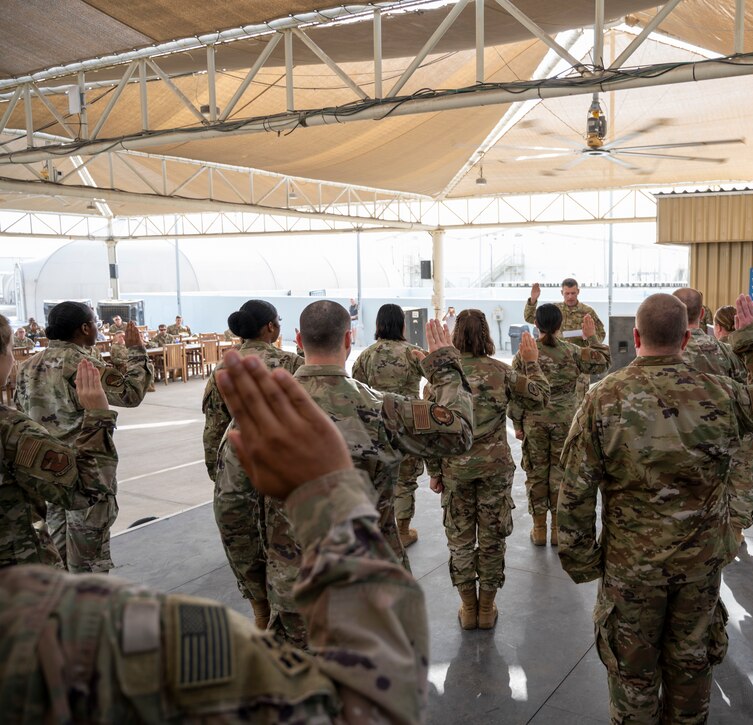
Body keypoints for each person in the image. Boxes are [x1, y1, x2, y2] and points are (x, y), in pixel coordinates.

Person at [0, 349, 431, 723]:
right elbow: (381, 698)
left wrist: (255, 591)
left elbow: (230, 508)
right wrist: (328, 494)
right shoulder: (105, 633)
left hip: (283, 588)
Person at [558, 293, 753, 724]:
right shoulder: (721, 393)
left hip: (631, 571)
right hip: (699, 567)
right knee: (690, 669)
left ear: (635, 337)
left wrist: (583, 559)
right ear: (687, 338)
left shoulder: (602, 399)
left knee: (634, 678)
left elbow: (575, 491)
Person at [235, 303, 473, 649]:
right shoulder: (386, 411)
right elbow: (459, 432)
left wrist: (261, 588)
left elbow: (232, 506)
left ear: (299, 340)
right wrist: (446, 369)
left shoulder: (258, 415)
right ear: (349, 339)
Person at [428, 309, 549, 631]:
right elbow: (541, 397)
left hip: (455, 469)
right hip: (495, 468)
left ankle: (468, 609)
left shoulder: (441, 378)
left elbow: (429, 431)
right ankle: (487, 607)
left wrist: (435, 472)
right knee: (493, 538)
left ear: (456, 336)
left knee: (461, 540)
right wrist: (532, 361)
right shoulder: (502, 372)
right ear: (486, 335)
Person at [13, 302, 152, 573]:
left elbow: (22, 416)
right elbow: (130, 394)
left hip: (47, 472)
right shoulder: (82, 364)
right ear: (85, 328)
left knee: (57, 554)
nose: (98, 329)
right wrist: (136, 352)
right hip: (84, 473)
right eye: (95, 324)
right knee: (88, 560)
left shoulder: (27, 367)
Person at [204, 300, 303, 630]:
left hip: (236, 462)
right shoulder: (290, 363)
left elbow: (214, 427)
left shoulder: (222, 369)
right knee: (283, 540)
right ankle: (284, 617)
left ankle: (260, 612)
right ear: (271, 328)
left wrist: (216, 473)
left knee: (242, 538)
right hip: (283, 463)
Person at [0, 315, 118, 568]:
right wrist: (98, 416)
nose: (12, 359)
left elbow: (23, 406)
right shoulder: (9, 430)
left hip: (46, 477)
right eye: (9, 350)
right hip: (20, 582)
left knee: (60, 538)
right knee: (86, 562)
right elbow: (87, 488)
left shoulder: (28, 366)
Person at [509, 303, 610, 547]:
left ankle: (539, 528)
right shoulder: (572, 352)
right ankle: (556, 529)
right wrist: (592, 337)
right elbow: (603, 362)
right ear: (560, 325)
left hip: (535, 422)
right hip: (566, 423)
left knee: (536, 474)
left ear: (536, 325)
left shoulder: (524, 354)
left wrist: (517, 423)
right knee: (561, 475)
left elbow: (515, 391)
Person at [679, 290, 753, 552]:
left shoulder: (663, 352)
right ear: (702, 314)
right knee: (735, 479)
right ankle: (733, 533)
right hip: (726, 433)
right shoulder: (727, 352)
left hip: (680, 436)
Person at [352, 304, 428, 549]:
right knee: (406, 480)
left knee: (377, 478)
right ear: (402, 325)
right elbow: (438, 379)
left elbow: (356, 392)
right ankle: (403, 531)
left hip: (376, 426)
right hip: (407, 425)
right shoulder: (414, 352)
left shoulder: (365, 355)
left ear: (378, 325)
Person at [524, 278, 605, 347]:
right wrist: (533, 300)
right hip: (557, 354)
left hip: (579, 355)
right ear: (562, 292)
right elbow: (529, 318)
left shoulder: (588, 311)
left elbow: (601, 333)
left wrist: (589, 338)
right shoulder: (554, 309)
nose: (570, 297)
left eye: (573, 293)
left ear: (578, 292)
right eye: (567, 293)